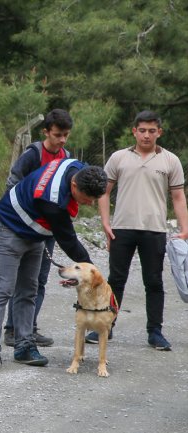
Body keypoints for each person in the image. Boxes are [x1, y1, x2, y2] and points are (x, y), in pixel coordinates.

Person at [0, 159, 108, 371]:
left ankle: (24, 346)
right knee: (2, 290)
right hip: (7, 231)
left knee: (29, 290)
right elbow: (69, 242)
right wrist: (94, 274)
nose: (90, 204)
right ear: (74, 186)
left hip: (34, 234)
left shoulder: (77, 167)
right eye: (87, 199)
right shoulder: (53, 201)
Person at [90, 110, 188, 350]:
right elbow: (104, 190)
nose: (146, 135)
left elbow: (177, 196)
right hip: (122, 228)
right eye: (142, 130)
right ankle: (106, 326)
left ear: (159, 132)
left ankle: (155, 332)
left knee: (153, 281)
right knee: (116, 280)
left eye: (151, 131)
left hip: (154, 229)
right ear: (134, 131)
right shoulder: (118, 158)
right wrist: (105, 222)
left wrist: (185, 228)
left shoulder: (170, 161)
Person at [3, 109, 73, 348]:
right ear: (46, 132)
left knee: (39, 279)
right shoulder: (33, 154)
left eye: (65, 135)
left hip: (49, 228)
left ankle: (29, 328)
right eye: (57, 135)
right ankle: (12, 330)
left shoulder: (66, 157)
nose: (62, 140)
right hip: (25, 227)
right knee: (21, 278)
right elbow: (12, 182)